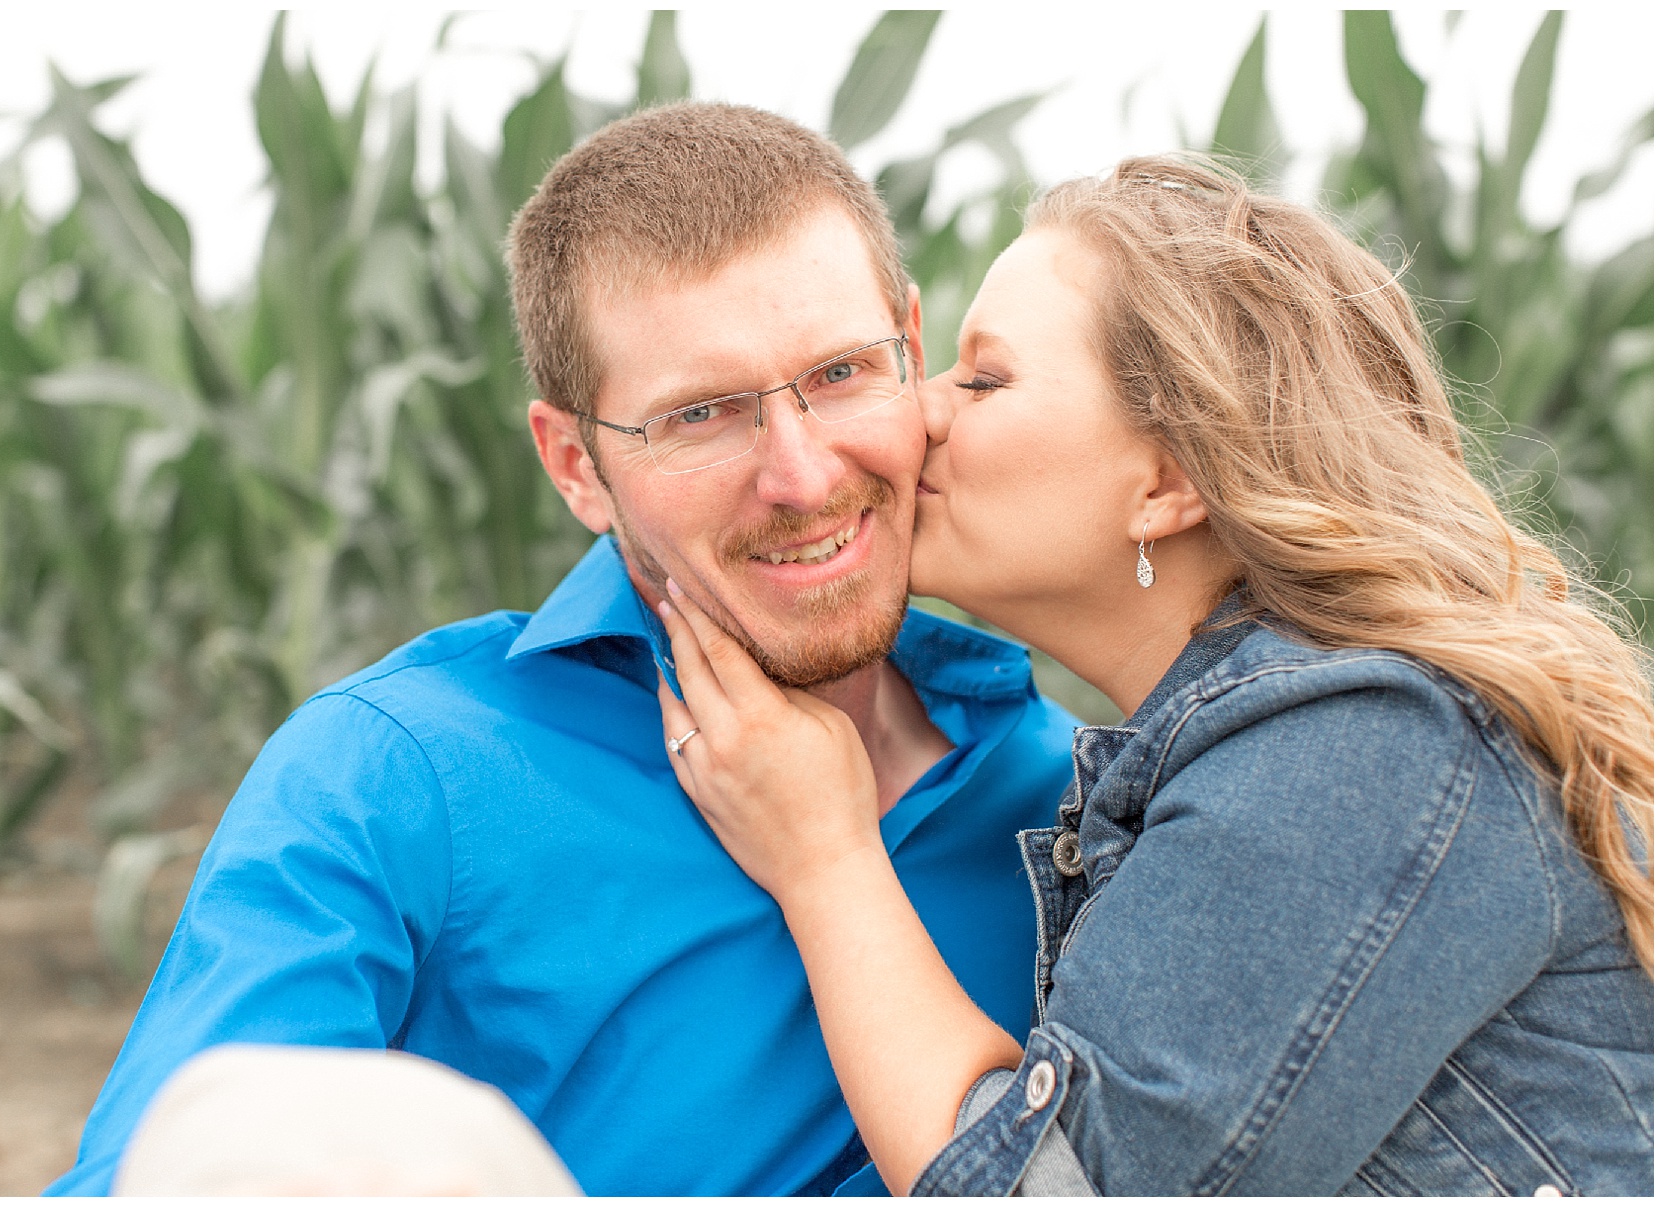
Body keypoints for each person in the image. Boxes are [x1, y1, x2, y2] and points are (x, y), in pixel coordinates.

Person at [44, 103, 1081, 1197]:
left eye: (840, 374)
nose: (804, 476)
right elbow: (179, 1168)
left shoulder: (1071, 797)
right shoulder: (391, 778)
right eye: (702, 416)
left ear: (911, 351)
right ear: (575, 465)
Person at [655, 155, 1654, 1196]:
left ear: (1168, 480)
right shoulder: (1275, 741)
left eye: (984, 377)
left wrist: (825, 858)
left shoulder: (1360, 746)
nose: (922, 413)